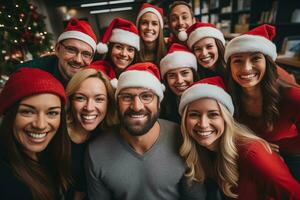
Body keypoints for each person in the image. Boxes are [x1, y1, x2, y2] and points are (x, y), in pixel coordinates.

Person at [85, 62, 206, 200]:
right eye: (126, 97)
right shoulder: (96, 152)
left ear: (158, 103)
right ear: (116, 102)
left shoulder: (185, 139)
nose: (137, 107)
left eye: (146, 96)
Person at [178, 76, 300, 199]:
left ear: (226, 119)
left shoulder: (252, 153)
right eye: (194, 115)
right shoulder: (201, 150)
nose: (203, 124)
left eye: (213, 114)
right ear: (184, 120)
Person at [224, 24, 300, 181]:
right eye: (238, 61)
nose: (246, 68)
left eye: (255, 59)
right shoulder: (227, 95)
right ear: (229, 67)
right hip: (252, 156)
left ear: (268, 63)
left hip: (294, 160)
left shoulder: (293, 97)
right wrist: (258, 146)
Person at [0, 68, 71, 200]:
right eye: (28, 112)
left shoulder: (52, 154)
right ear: (9, 115)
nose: (40, 125)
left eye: (52, 113)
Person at [65, 67, 118, 199]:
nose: (89, 107)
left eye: (99, 99)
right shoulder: (54, 133)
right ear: (70, 101)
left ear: (108, 103)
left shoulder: (112, 138)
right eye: (80, 98)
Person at [16, 18, 97, 87]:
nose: (78, 60)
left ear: (91, 59)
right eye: (71, 50)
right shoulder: (27, 74)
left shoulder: (94, 80)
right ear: (58, 49)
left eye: (86, 54)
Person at [160, 43, 198, 123]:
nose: (179, 81)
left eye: (184, 73)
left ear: (193, 75)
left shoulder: (206, 100)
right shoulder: (162, 106)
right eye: (172, 76)